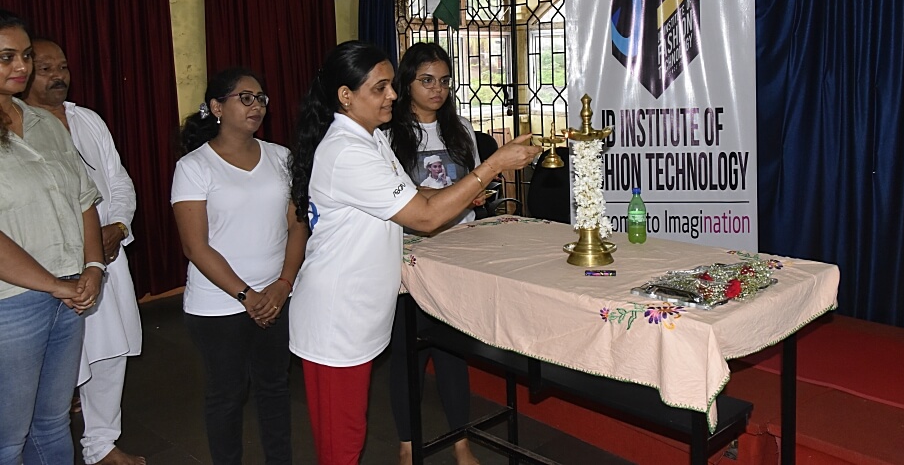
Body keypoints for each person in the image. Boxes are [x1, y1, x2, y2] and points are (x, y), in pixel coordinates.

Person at [288, 40, 537, 465]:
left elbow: (411, 194)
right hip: (335, 316)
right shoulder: (348, 151)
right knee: (341, 445)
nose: (392, 95)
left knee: (350, 435)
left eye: (391, 85)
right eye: (380, 88)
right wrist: (492, 167)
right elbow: (423, 216)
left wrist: (460, 193)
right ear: (346, 96)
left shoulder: (371, 140)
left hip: (357, 310)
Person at [171, 67, 308, 465]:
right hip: (219, 305)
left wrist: (283, 284)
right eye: (245, 98)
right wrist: (247, 295)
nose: (257, 106)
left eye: (261, 98)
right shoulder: (194, 167)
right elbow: (195, 247)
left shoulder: (281, 156)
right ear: (216, 107)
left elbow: (297, 224)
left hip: (276, 296)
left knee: (274, 388)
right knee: (227, 396)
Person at [23, 38, 146, 465]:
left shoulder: (86, 119)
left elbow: (118, 181)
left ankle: (101, 446)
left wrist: (118, 227)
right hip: (53, 269)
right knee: (62, 364)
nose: (58, 75)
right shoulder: (18, 129)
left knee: (110, 350)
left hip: (108, 257)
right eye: (46, 68)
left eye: (63, 67)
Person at [0, 10, 105, 465]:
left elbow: (83, 199)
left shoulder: (44, 122)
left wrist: (94, 267)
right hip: (11, 303)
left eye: (24, 56)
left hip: (68, 295)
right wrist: (56, 284)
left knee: (53, 423)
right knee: (8, 439)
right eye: (6, 57)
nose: (21, 67)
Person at [385, 42, 483, 465]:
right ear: (406, 84)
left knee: (451, 352)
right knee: (405, 354)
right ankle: (407, 442)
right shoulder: (387, 134)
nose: (437, 89)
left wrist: (475, 198)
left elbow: (474, 189)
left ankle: (461, 440)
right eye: (427, 80)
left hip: (456, 257)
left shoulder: (459, 128)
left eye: (444, 80)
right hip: (407, 261)